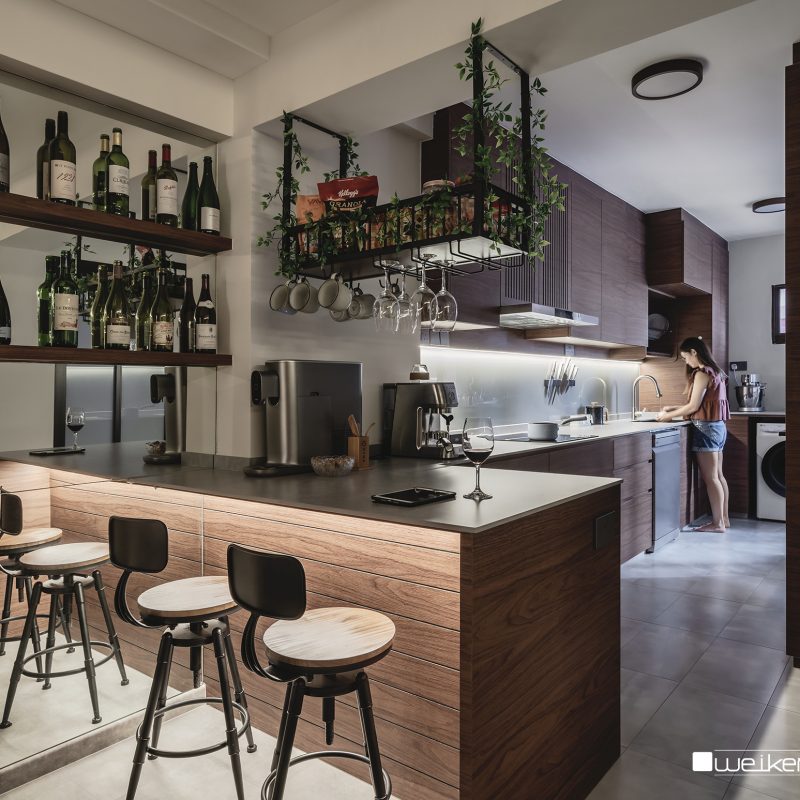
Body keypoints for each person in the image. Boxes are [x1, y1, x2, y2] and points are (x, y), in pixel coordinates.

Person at [657, 336, 730, 532]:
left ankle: (717, 524)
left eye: (685, 357)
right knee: (718, 476)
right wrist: (673, 408)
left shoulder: (702, 373)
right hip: (718, 427)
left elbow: (693, 406)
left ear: (694, 352)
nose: (686, 362)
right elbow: (703, 403)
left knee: (711, 478)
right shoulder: (716, 372)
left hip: (705, 429)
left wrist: (667, 416)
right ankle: (724, 519)